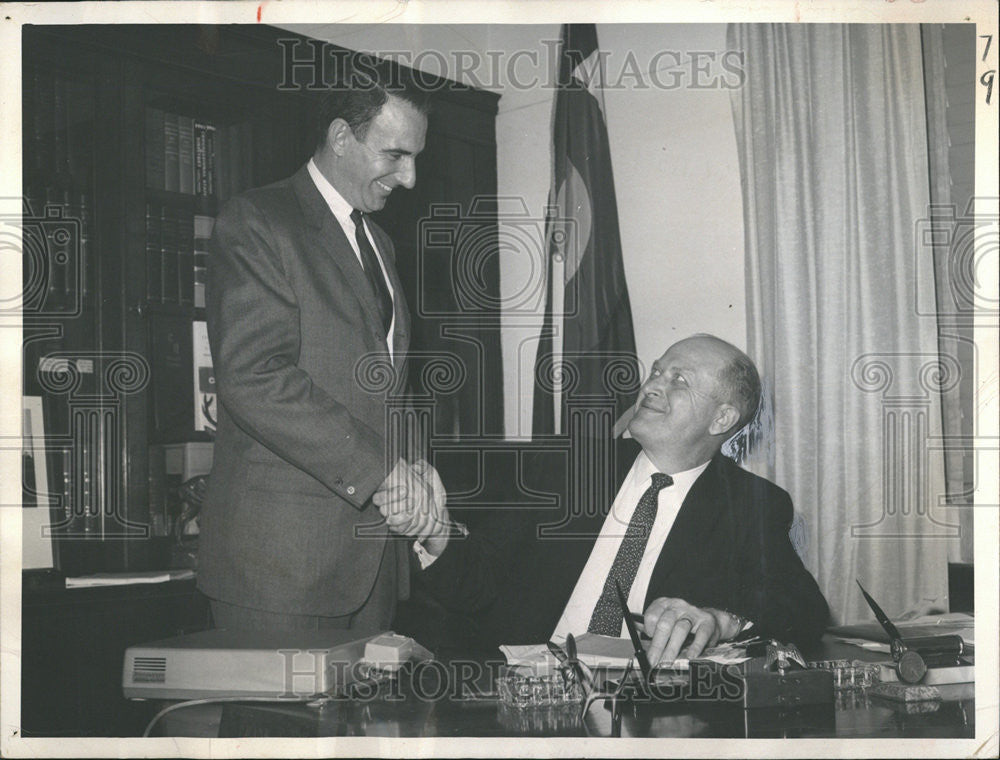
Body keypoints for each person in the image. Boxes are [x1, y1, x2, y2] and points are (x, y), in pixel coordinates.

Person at [378, 334, 829, 665]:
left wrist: (719, 619)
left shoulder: (751, 502)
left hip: (645, 703)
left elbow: (804, 609)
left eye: (679, 380)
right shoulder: (567, 468)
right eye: (656, 371)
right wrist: (434, 531)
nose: (652, 386)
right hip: (525, 684)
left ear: (722, 418)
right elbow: (479, 579)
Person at [197, 54, 432, 632]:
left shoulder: (379, 241)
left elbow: (385, 386)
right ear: (341, 138)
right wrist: (381, 470)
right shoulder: (258, 220)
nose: (410, 179)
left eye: (415, 158)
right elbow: (254, 375)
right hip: (280, 570)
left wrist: (419, 466)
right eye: (396, 155)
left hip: (372, 563)